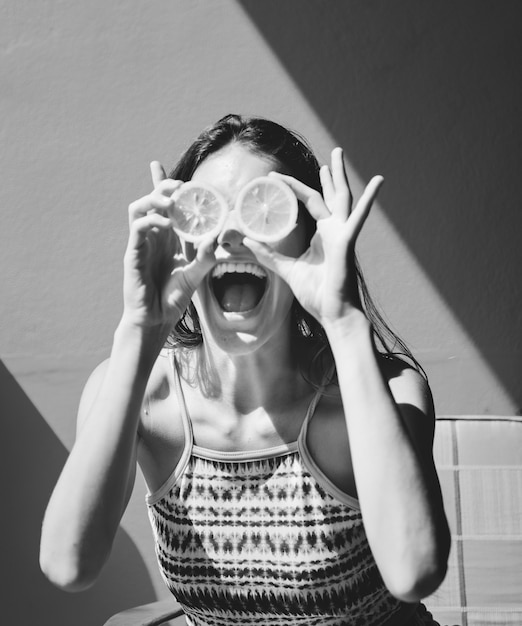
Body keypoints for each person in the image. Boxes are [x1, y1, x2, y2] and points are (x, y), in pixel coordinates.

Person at [40, 114, 451, 625]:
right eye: (207, 212)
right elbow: (66, 565)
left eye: (262, 212)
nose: (231, 235)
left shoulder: (382, 392)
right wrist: (138, 332)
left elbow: (415, 573)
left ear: (308, 242)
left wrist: (343, 323)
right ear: (178, 234)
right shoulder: (140, 395)